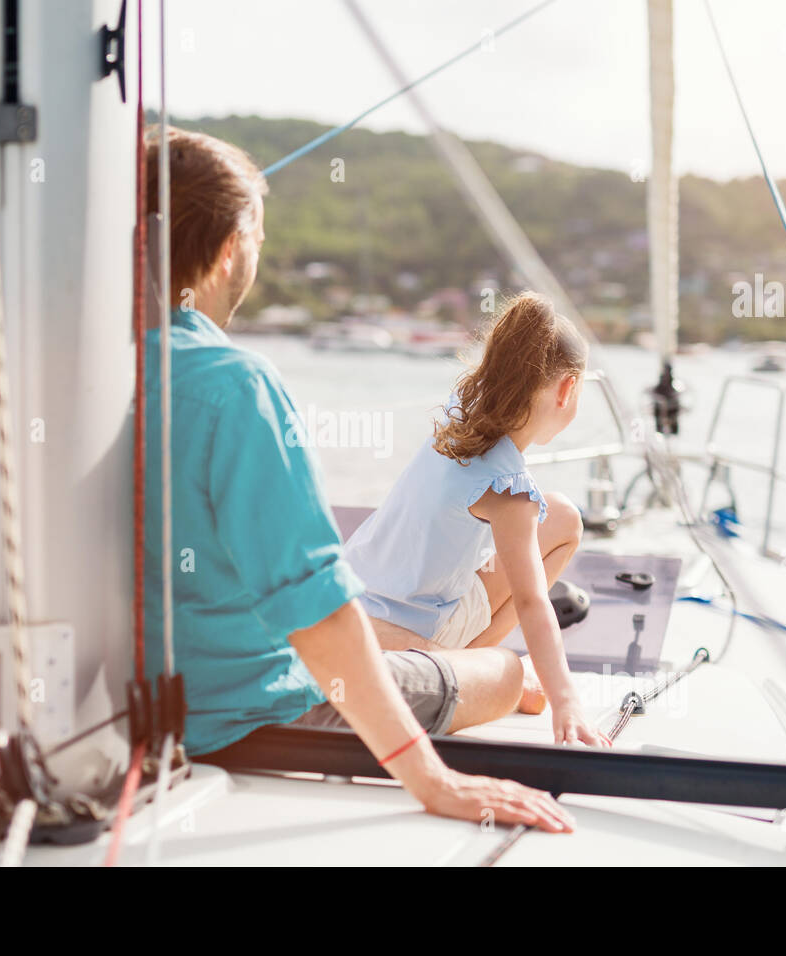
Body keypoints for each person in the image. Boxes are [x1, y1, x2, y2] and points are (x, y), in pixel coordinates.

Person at [142, 127, 574, 833]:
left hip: (118, 712)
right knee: (502, 676)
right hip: (243, 711)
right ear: (228, 253)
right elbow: (315, 611)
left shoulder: (59, 372)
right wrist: (431, 781)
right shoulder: (232, 387)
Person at [344, 292, 611, 748]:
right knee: (565, 525)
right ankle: (465, 662)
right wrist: (566, 700)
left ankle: (461, 660)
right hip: (410, 630)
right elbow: (532, 604)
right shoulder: (510, 491)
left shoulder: (459, 413)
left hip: (352, 594)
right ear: (567, 389)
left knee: (561, 516)